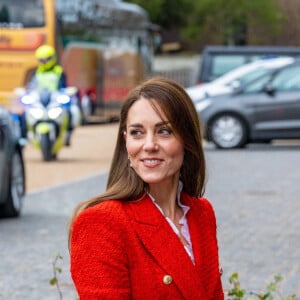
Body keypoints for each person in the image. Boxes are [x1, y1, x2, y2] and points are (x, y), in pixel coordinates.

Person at [69, 77, 224, 299]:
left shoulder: (201, 213)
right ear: (125, 141)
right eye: (137, 132)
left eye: (164, 131)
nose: (149, 145)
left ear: (187, 139)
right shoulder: (101, 222)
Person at [28, 44, 73, 145]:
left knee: (69, 112)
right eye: (42, 60)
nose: (44, 62)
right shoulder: (37, 73)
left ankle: (68, 133)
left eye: (47, 59)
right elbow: (31, 87)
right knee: (24, 115)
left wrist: (66, 92)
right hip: (41, 101)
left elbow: (64, 86)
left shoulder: (59, 72)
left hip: (55, 100)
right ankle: (23, 137)